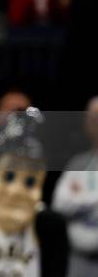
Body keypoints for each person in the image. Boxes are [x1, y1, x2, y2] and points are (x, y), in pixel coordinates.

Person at [52, 96, 98, 277]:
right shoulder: (77, 164)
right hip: (77, 262)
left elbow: (70, 202)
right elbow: (59, 204)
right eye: (92, 118)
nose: (95, 123)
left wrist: (80, 197)